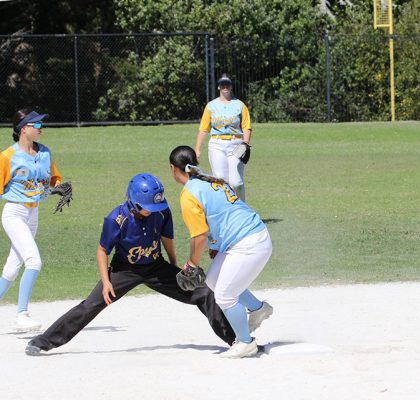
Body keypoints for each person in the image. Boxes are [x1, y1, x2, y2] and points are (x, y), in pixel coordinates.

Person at [25, 173, 235, 355]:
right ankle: (43, 341)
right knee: (90, 305)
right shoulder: (116, 219)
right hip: (124, 270)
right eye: (147, 207)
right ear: (134, 202)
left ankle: (235, 340)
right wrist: (106, 282)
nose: (152, 210)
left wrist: (174, 266)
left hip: (156, 267)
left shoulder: (161, 212)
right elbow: (102, 251)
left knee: (204, 293)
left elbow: (166, 239)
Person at [169, 145, 273, 358]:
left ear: (172, 169)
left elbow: (199, 236)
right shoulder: (207, 178)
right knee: (214, 282)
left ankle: (246, 343)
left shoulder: (188, 194)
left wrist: (191, 264)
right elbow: (219, 214)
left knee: (225, 296)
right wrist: (216, 248)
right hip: (247, 238)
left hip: (248, 242)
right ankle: (257, 309)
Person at [0, 109, 62, 332]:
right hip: (14, 213)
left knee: (11, 270)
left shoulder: (44, 153)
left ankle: (20, 313)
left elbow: (54, 180)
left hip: (33, 215)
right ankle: (22, 314)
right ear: (23, 128)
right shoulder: (7, 156)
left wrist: (61, 189)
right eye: (36, 124)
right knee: (34, 261)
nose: (40, 127)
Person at [194, 73, 252, 201]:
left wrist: (246, 143)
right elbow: (203, 129)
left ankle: (242, 211)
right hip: (216, 144)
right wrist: (197, 149)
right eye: (222, 84)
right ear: (218, 87)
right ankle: (226, 210)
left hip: (236, 144)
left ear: (231, 87)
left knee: (236, 183)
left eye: (227, 84)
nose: (225, 86)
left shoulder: (240, 105)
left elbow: (246, 126)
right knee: (220, 179)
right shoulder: (211, 106)